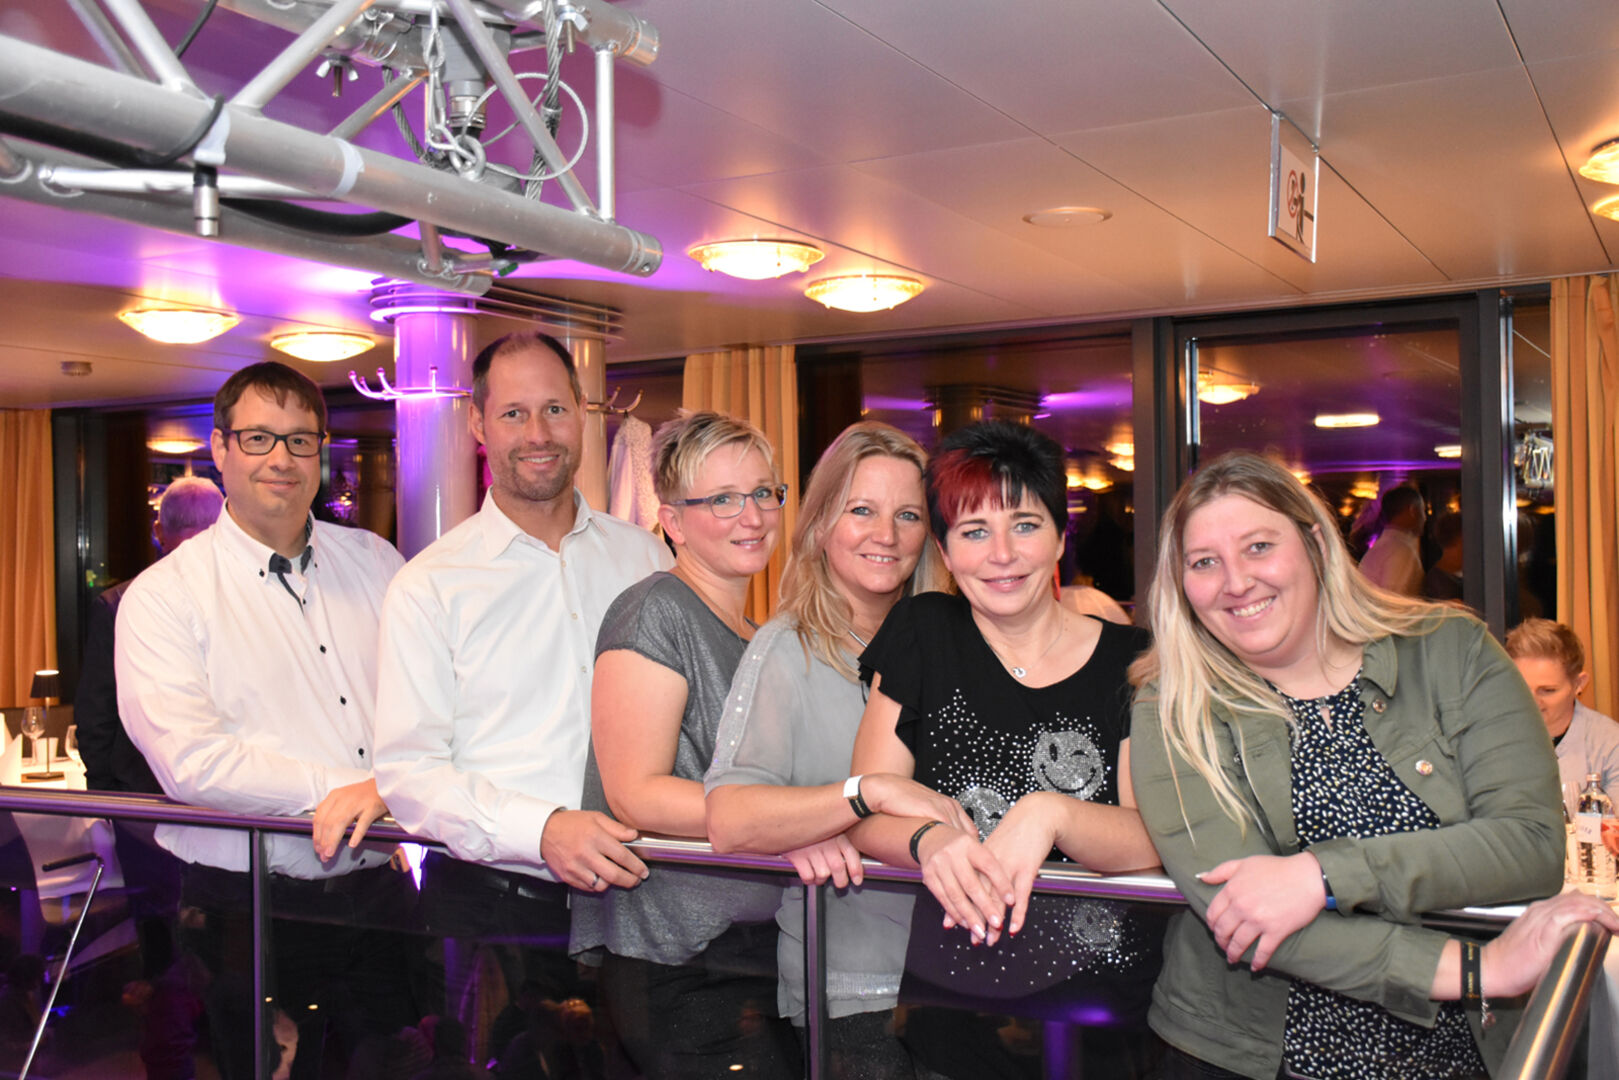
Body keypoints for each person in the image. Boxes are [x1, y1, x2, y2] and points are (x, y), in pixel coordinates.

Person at [1128, 449, 1619, 1079]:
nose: (1236, 581)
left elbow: (1529, 844)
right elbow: (1240, 913)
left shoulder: (1451, 650)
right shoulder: (1172, 704)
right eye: (1204, 562)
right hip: (1245, 1058)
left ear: (1315, 544)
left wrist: (1321, 876)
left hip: (1457, 1056)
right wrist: (1478, 970)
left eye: (1258, 547)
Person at [116, 361, 416, 1079]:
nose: (281, 458)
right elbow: (193, 763)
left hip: (380, 888)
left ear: (321, 452)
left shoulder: (378, 563)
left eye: (300, 440)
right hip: (247, 902)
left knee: (401, 1065)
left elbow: (426, 707)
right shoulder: (164, 597)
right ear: (220, 449)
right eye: (258, 438)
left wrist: (391, 791)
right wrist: (356, 791)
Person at [848, 420, 1161, 1080]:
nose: (1001, 554)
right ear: (943, 549)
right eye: (973, 532)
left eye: (1024, 524)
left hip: (1100, 1010)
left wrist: (1052, 813)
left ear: (1059, 535)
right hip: (951, 1002)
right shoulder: (923, 632)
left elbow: (1151, 839)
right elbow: (867, 809)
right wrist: (928, 840)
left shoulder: (1132, 660)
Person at [372, 332, 671, 982]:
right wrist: (541, 829)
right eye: (514, 413)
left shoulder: (646, 558)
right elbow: (410, 773)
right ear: (479, 424)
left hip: (642, 897)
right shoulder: (429, 586)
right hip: (494, 911)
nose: (538, 433)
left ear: (582, 412)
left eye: (555, 409)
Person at [704, 421, 954, 1076]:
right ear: (819, 525)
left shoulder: (953, 646)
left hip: (956, 980)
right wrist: (854, 799)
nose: (886, 534)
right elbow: (730, 818)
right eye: (861, 510)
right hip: (852, 987)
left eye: (907, 515)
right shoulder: (787, 649)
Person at [570, 410, 800, 1080]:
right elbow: (635, 793)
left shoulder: (759, 633)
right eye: (722, 499)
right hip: (678, 956)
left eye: (763, 493)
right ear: (672, 520)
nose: (751, 516)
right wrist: (797, 819)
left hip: (750, 949)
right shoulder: (655, 610)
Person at [77, 474, 222, 793]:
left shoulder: (117, 604)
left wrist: (103, 799)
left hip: (142, 795)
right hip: (225, 792)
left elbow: (96, 718)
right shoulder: (242, 601)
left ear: (158, 532)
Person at [1506, 618, 1619, 811]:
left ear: (1579, 684)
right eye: (1521, 688)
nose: (1531, 702)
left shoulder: (1610, 744)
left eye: (1547, 691)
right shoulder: (1485, 737)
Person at [1358, 483, 1425, 596]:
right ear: (1412, 510)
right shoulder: (1401, 550)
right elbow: (1395, 600)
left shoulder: (1379, 547)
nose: (1424, 517)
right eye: (1423, 510)